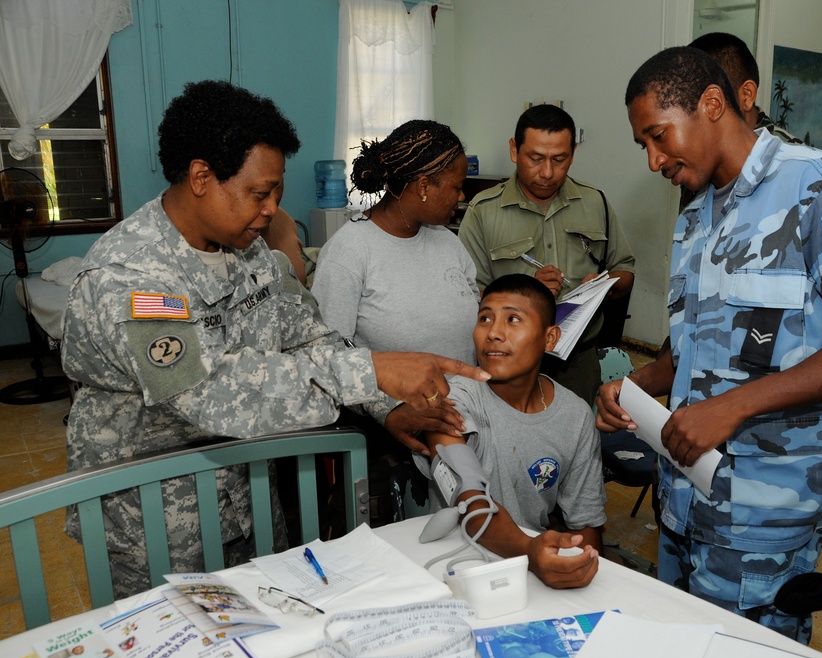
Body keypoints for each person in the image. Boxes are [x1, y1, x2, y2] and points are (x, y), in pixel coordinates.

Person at [60, 80, 487, 597]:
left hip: (249, 496)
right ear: (200, 177)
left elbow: (314, 339)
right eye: (259, 193)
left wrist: (386, 406)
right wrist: (372, 370)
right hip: (154, 521)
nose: (272, 210)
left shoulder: (251, 254)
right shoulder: (131, 276)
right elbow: (209, 390)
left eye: (277, 192)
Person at [597, 47, 822, 643]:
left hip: (767, 505)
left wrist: (735, 406)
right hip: (685, 493)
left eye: (658, 136)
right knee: (680, 646)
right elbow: (695, 346)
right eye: (643, 144)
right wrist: (637, 386)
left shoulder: (820, 185)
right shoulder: (696, 213)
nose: (653, 158)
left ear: (712, 104)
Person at [424, 273, 605, 589]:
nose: (493, 333)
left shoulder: (574, 415)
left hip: (534, 571)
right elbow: (472, 505)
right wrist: (529, 553)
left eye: (512, 319)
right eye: (485, 318)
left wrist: (576, 565)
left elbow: (586, 524)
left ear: (550, 338)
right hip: (454, 566)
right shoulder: (452, 401)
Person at [312, 120, 480, 457]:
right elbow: (327, 356)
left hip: (468, 417)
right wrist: (389, 409)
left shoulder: (449, 244)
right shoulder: (349, 253)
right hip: (390, 435)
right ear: (422, 187)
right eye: (456, 187)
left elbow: (476, 313)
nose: (462, 197)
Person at [458, 104, 635, 407]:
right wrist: (528, 291)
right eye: (536, 158)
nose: (548, 173)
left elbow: (625, 270)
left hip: (578, 361)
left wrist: (603, 284)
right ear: (515, 150)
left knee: (576, 444)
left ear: (573, 153)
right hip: (507, 360)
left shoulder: (595, 202)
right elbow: (465, 295)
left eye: (559, 159)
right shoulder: (483, 211)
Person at [689, 32, 803, 144]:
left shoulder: (791, 157)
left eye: (712, 101)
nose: (694, 113)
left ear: (747, 95)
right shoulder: (690, 147)